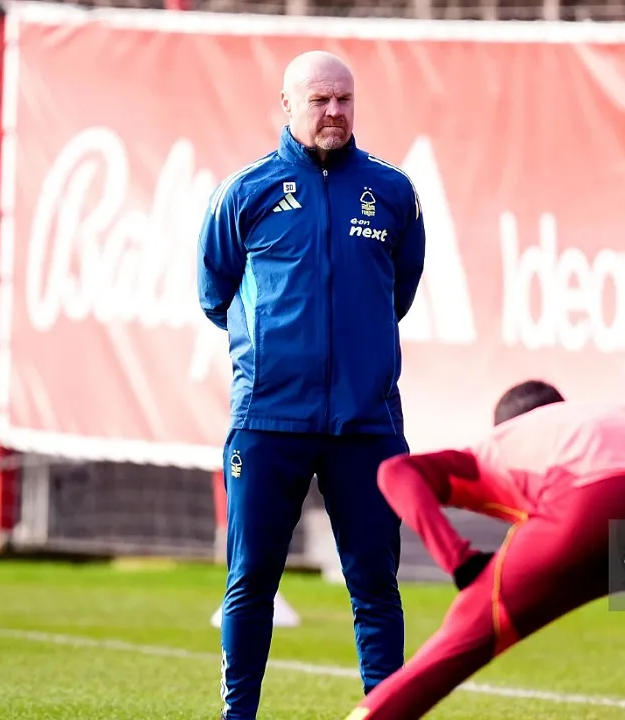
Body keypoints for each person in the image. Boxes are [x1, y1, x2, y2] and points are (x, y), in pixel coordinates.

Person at [197, 50, 426, 720]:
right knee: (251, 583)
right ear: (288, 104)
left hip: (367, 426)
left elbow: (397, 293)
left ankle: (382, 712)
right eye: (320, 100)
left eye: (344, 100)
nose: (334, 112)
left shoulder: (392, 193)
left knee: (376, 586)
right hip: (269, 423)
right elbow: (215, 294)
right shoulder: (246, 193)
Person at [342, 380, 625, 720]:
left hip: (582, 511)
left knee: (450, 652)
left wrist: (460, 561)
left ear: (506, 423)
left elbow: (396, 473)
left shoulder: (496, 445)